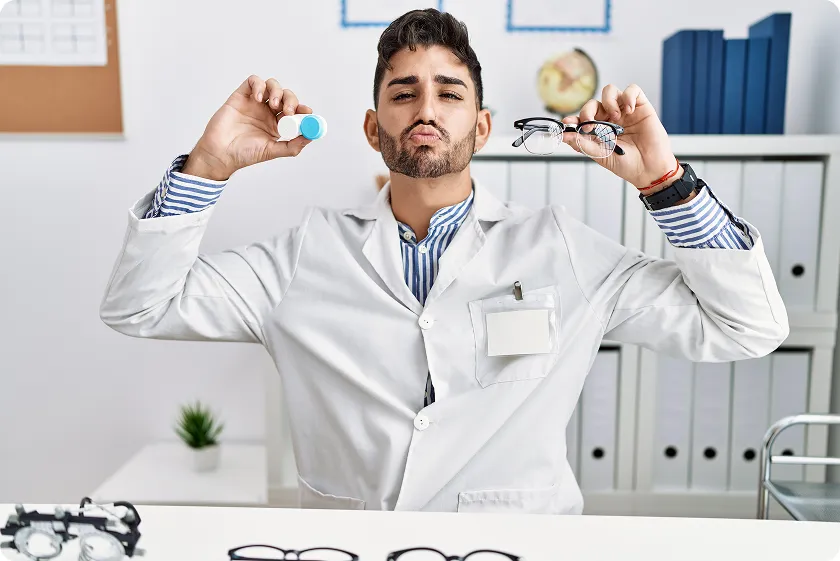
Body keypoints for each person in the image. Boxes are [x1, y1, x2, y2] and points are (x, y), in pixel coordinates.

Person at [99, 9, 788, 514]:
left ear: (481, 127)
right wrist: (208, 166)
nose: (425, 109)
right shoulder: (305, 254)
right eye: (403, 93)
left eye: (450, 93)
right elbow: (139, 306)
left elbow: (747, 326)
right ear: (373, 127)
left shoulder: (560, 248)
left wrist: (665, 182)